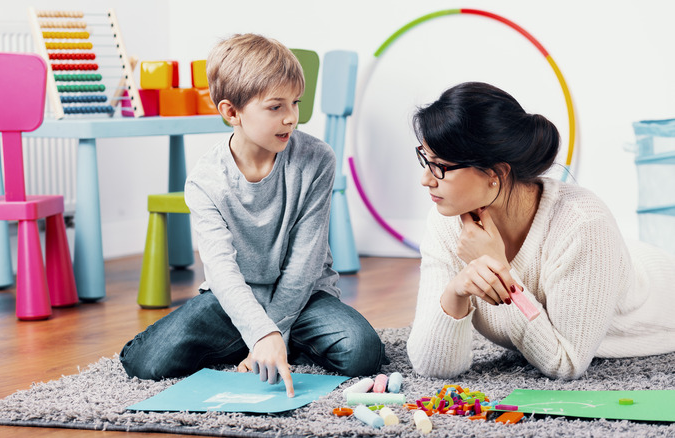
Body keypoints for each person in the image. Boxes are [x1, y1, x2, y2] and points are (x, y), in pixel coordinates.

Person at [120, 33, 385, 396]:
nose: (291, 118)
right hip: (233, 298)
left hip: (305, 297)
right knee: (146, 363)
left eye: (295, 103)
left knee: (363, 352)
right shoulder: (205, 180)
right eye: (276, 107)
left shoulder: (317, 159)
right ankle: (266, 342)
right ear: (231, 112)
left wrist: (270, 330)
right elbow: (221, 270)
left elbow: (305, 263)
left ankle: (271, 342)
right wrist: (260, 333)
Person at [407, 81, 675, 380]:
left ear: (495, 173)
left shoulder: (584, 224)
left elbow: (565, 363)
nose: (426, 180)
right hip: (616, 258)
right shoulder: (447, 220)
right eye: (425, 160)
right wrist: (455, 292)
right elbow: (432, 367)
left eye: (440, 166)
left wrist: (499, 271)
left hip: (660, 298)